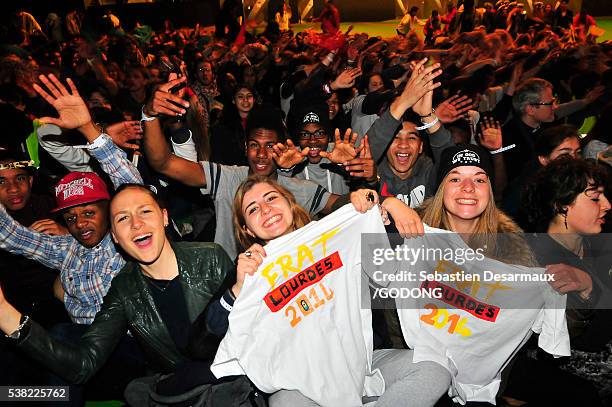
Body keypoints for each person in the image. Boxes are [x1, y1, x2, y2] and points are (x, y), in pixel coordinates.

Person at [227, 175, 450, 407]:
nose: (265, 209)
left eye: (271, 198)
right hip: (301, 384)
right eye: (253, 209)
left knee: (435, 366)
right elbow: (201, 344)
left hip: (361, 365)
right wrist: (237, 289)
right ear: (247, 229)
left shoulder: (334, 234)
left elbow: (387, 270)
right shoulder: (248, 269)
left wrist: (385, 205)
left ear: (289, 202)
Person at [0, 183, 235, 391]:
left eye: (145, 212)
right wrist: (4, 311)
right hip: (178, 390)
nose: (136, 224)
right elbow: (83, 363)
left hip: (233, 377)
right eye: (123, 218)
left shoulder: (209, 257)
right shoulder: (124, 288)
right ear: (115, 236)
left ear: (164, 217)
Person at [142, 75, 351, 259]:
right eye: (254, 145)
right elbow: (164, 163)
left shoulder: (299, 188)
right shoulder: (227, 178)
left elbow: (344, 205)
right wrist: (149, 115)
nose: (261, 155)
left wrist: (364, 181)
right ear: (245, 147)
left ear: (281, 147)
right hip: (235, 288)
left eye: (269, 146)